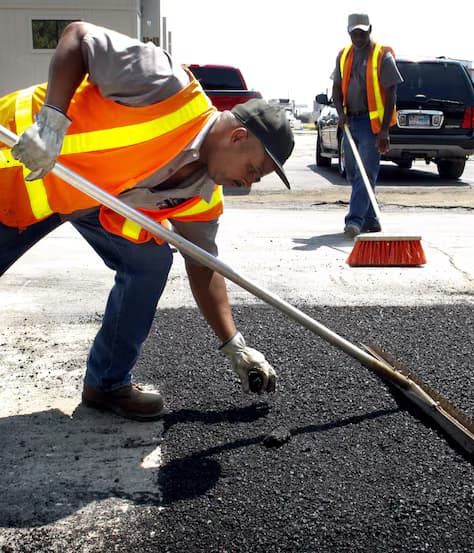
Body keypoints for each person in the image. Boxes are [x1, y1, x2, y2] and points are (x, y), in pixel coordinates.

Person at [1, 22, 294, 421]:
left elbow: (203, 262)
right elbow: (77, 37)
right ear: (238, 137)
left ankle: (106, 383)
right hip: (16, 161)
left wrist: (234, 344)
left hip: (83, 200)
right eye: (253, 170)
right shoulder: (166, 85)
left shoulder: (203, 190)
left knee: (150, 261)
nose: (248, 182)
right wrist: (51, 121)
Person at [331, 13, 403, 239]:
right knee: (353, 172)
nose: (359, 36)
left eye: (362, 32)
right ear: (349, 32)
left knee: (366, 174)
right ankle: (371, 219)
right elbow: (335, 87)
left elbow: (392, 93)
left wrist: (384, 130)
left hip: (372, 126)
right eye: (355, 33)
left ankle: (354, 221)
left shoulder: (382, 55)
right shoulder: (343, 55)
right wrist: (341, 113)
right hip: (351, 121)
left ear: (370, 30)